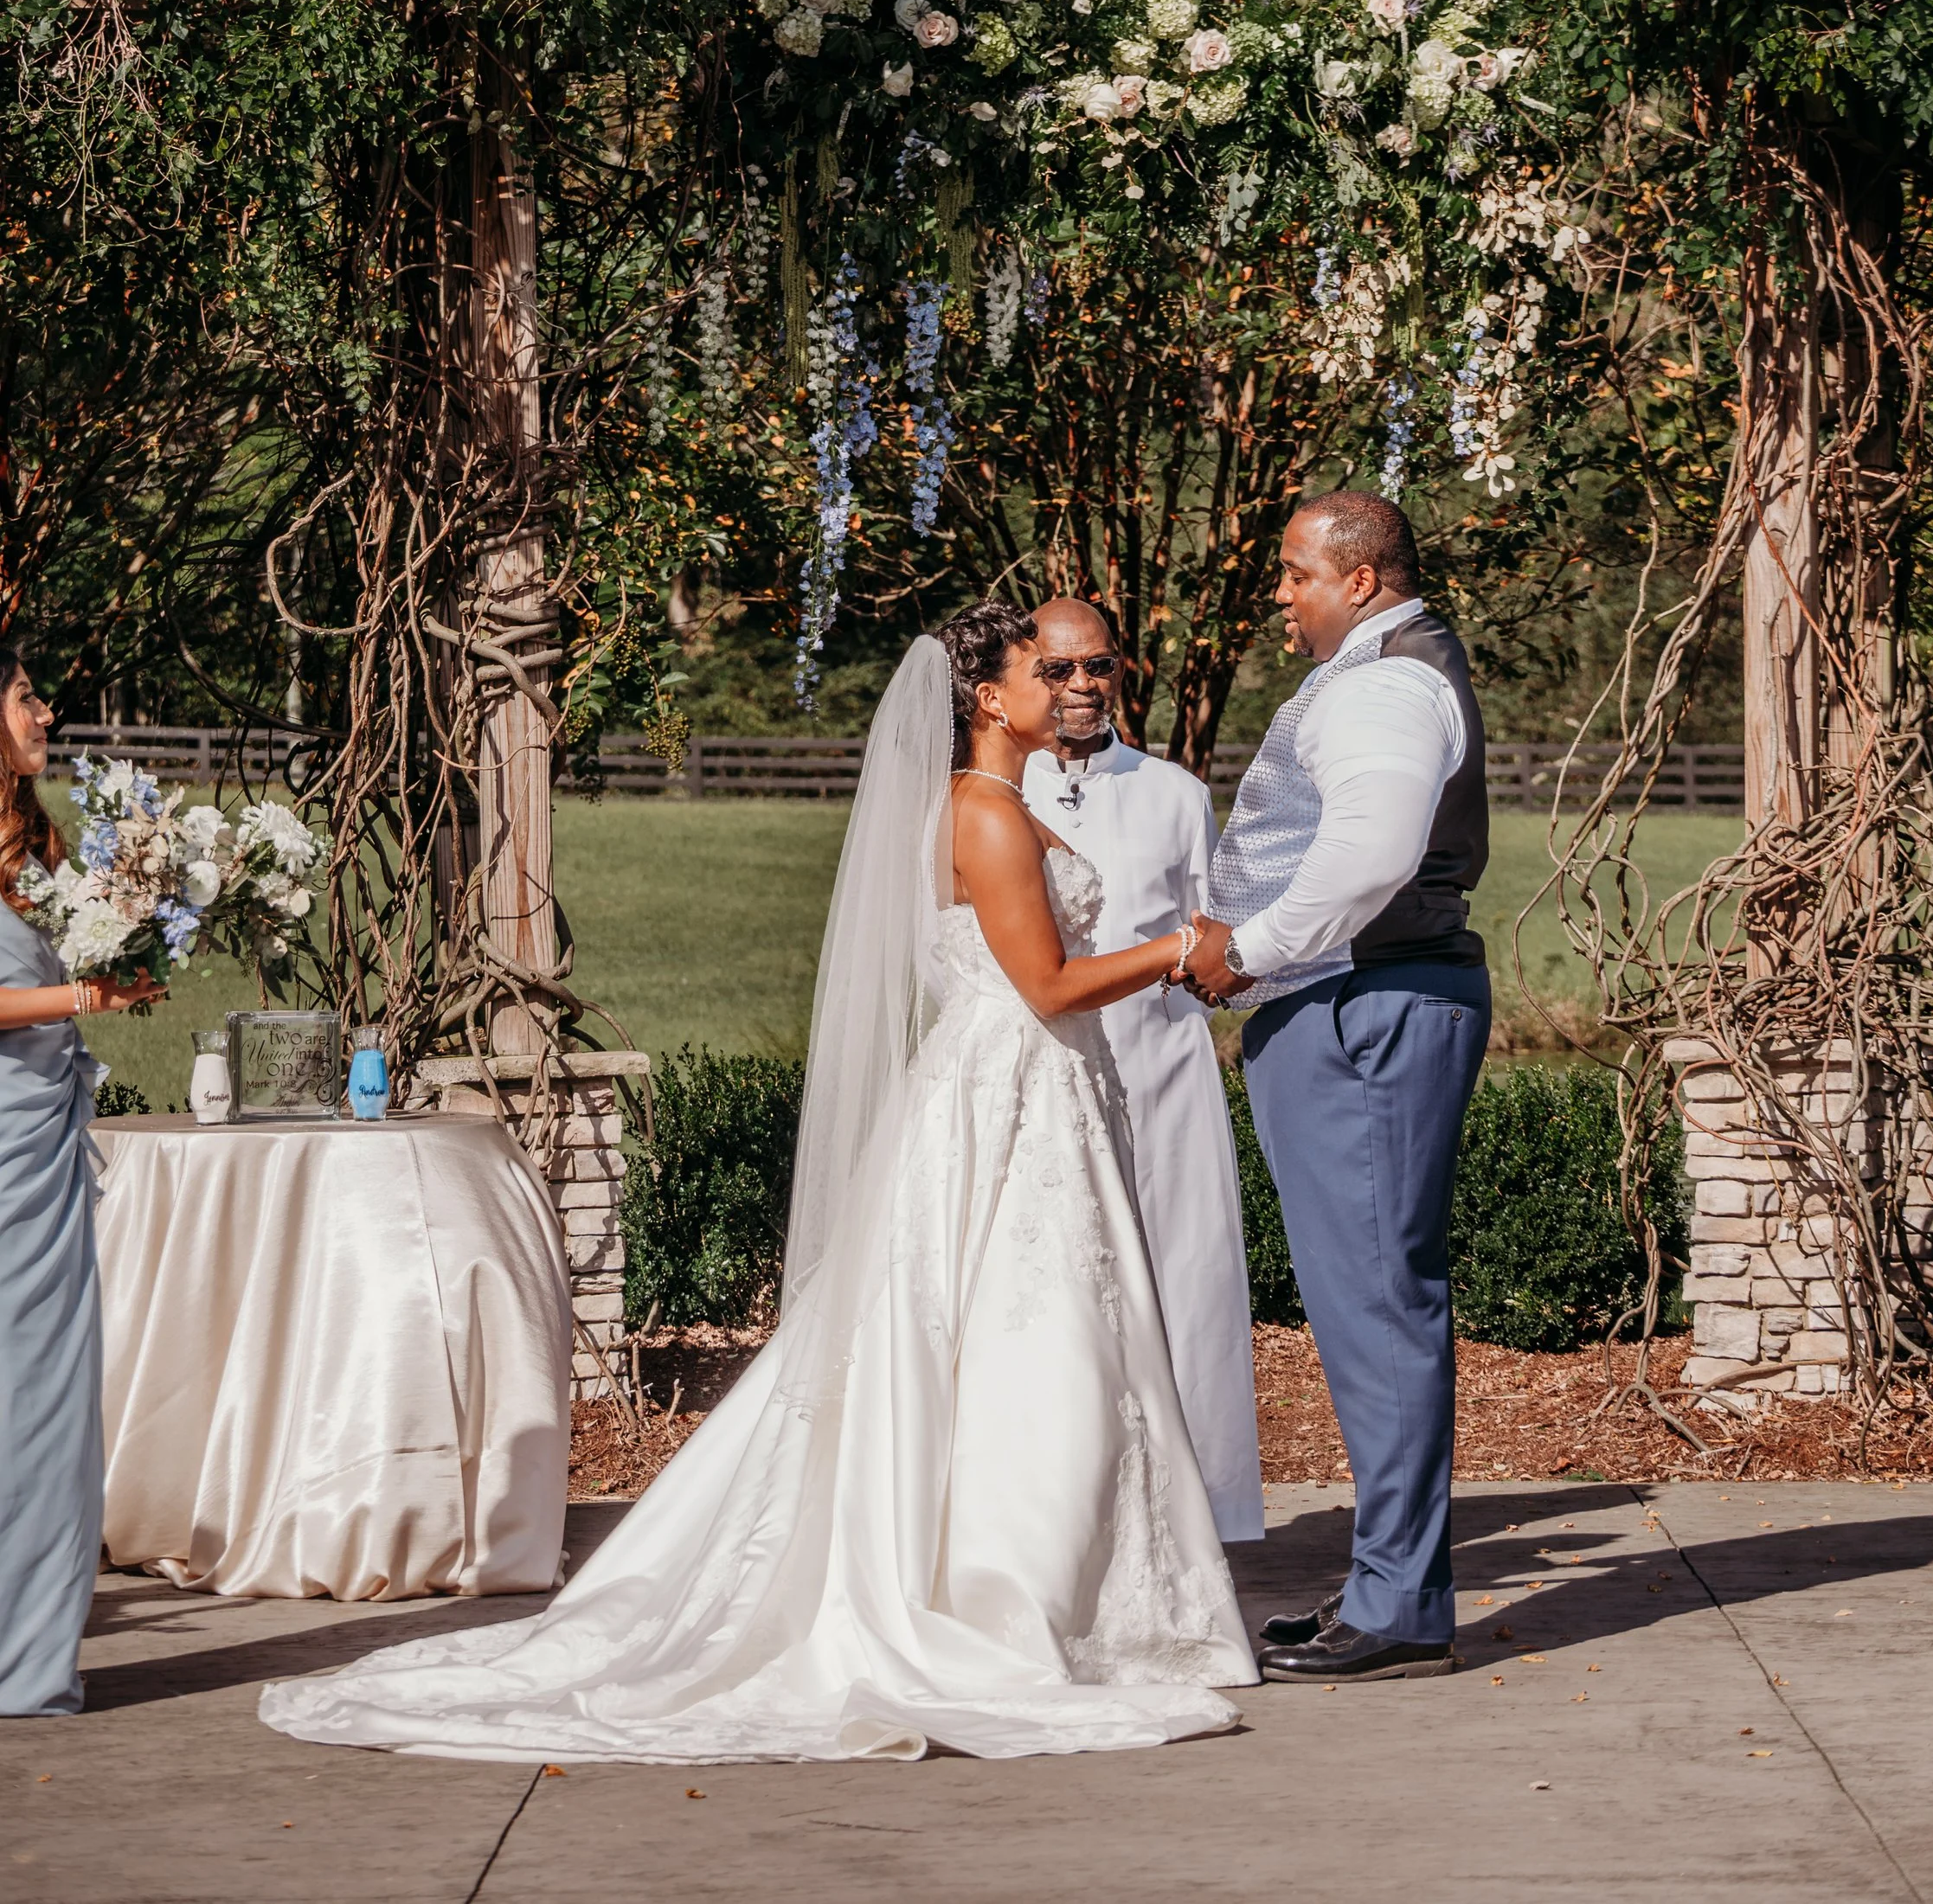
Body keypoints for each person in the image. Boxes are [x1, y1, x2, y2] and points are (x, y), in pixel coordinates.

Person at [261, 606, 1256, 1765]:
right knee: (1036, 1346)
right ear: (991, 696)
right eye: (1050, 670)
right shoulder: (985, 816)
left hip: (1032, 1097)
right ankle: (1009, 1603)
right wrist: (1178, 949)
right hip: (1011, 1094)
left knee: (1046, 1341)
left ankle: (1082, 1603)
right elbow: (1041, 981)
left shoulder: (1002, 805)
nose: (1072, 686)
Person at [1184, 492, 1491, 1685]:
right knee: (1369, 1302)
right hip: (1361, 1000)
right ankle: (1391, 1585)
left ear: (1361, 580)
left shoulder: (1381, 685)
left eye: (1297, 573)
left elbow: (1369, 853)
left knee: (1376, 1306)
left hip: (1367, 1004)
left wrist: (1248, 949)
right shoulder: (1386, 671)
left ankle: (1401, 1601)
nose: (1282, 592)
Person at [1019, 595, 1262, 1541]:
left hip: (1166, 1073)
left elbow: (1211, 939)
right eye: (1059, 668)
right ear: (1023, 677)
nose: (1082, 685)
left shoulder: (1175, 792)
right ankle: (1067, 1507)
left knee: (1185, 1275)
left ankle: (1203, 1508)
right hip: (1045, 1072)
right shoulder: (1000, 791)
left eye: (1099, 667)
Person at [0, 643, 164, 1716]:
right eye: (22, 695)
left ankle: (30, 1662)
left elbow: (80, 955)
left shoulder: (41, 842)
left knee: (54, 1410)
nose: (45, 708)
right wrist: (83, 1004)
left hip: (48, 1148)